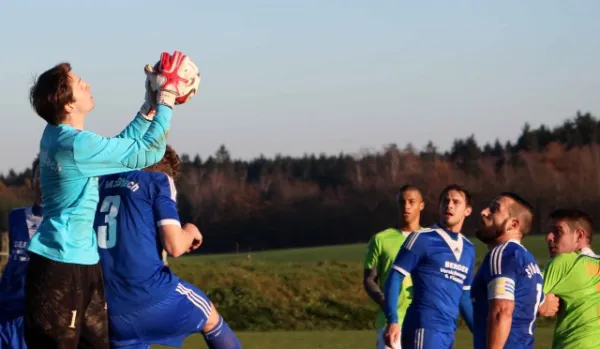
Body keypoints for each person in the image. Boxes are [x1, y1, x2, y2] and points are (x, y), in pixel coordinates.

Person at [24, 51, 197, 348]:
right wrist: (167, 96)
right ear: (67, 103)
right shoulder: (74, 143)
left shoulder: (65, 138)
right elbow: (148, 152)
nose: (88, 85)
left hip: (85, 263)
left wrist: (149, 106)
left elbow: (120, 148)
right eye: (79, 84)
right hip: (60, 268)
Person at [94, 145, 242, 349]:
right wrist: (190, 231)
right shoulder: (159, 181)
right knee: (210, 317)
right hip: (148, 293)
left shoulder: (103, 183)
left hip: (107, 309)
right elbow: (175, 246)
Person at [383, 184, 475, 349]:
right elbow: (395, 276)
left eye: (456, 202)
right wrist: (393, 320)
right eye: (445, 201)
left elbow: (464, 296)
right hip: (424, 327)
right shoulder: (422, 238)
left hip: (448, 332)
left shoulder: (468, 249)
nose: (450, 205)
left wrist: (481, 332)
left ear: (468, 211)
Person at [470, 192, 550, 349]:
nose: (484, 212)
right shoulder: (529, 262)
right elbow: (542, 306)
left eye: (494, 209)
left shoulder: (502, 254)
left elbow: (502, 311)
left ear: (513, 224)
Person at [363, 185, 425, 349]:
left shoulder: (431, 239)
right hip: (390, 322)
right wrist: (383, 301)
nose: (406, 206)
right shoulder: (380, 239)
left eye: (412, 202)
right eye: (402, 202)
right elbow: (369, 279)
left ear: (421, 205)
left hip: (424, 321)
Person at [537, 208, 600, 349]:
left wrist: (539, 305)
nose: (549, 237)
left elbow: (519, 297)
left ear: (579, 236)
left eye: (558, 231)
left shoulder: (565, 261)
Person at [0, 158, 42, 349]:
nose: (43, 180)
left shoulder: (65, 221)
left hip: (36, 315)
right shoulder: (16, 216)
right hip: (7, 309)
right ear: (32, 181)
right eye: (39, 174)